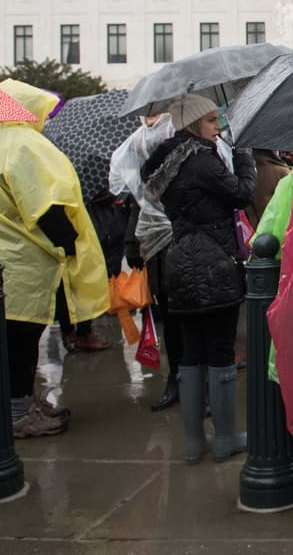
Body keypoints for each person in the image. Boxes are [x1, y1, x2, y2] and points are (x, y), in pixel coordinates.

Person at [0, 79, 110, 440]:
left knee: (10, 341)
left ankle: (19, 404)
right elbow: (45, 205)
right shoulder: (22, 144)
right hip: (19, 263)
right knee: (22, 341)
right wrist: (68, 245)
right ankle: (19, 413)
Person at [141, 94, 256, 463]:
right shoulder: (201, 161)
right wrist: (243, 158)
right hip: (213, 263)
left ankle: (193, 443)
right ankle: (223, 438)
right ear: (191, 125)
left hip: (180, 263)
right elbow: (241, 194)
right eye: (209, 121)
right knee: (220, 351)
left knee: (191, 353)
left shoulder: (168, 161)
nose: (217, 127)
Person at [111, 114, 184, 411]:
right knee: (170, 322)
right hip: (157, 257)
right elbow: (136, 209)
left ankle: (193, 383)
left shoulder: (189, 158)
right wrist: (133, 248)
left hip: (185, 251)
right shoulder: (140, 170)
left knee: (189, 321)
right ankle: (176, 378)